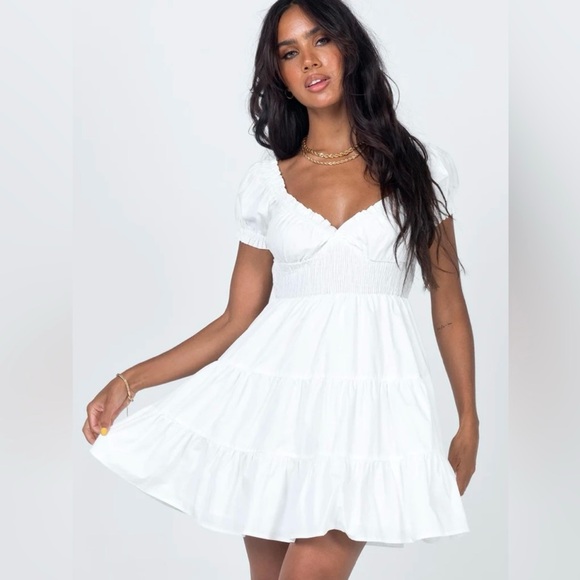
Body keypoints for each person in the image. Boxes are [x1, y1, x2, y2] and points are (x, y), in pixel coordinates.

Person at [82, 0, 479, 577]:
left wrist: (468, 418)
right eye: (290, 53)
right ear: (280, 76)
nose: (310, 61)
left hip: (368, 411)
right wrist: (128, 381)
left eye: (321, 40)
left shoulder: (420, 169)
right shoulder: (267, 184)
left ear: (349, 47)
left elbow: (448, 302)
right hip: (275, 414)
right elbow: (235, 320)